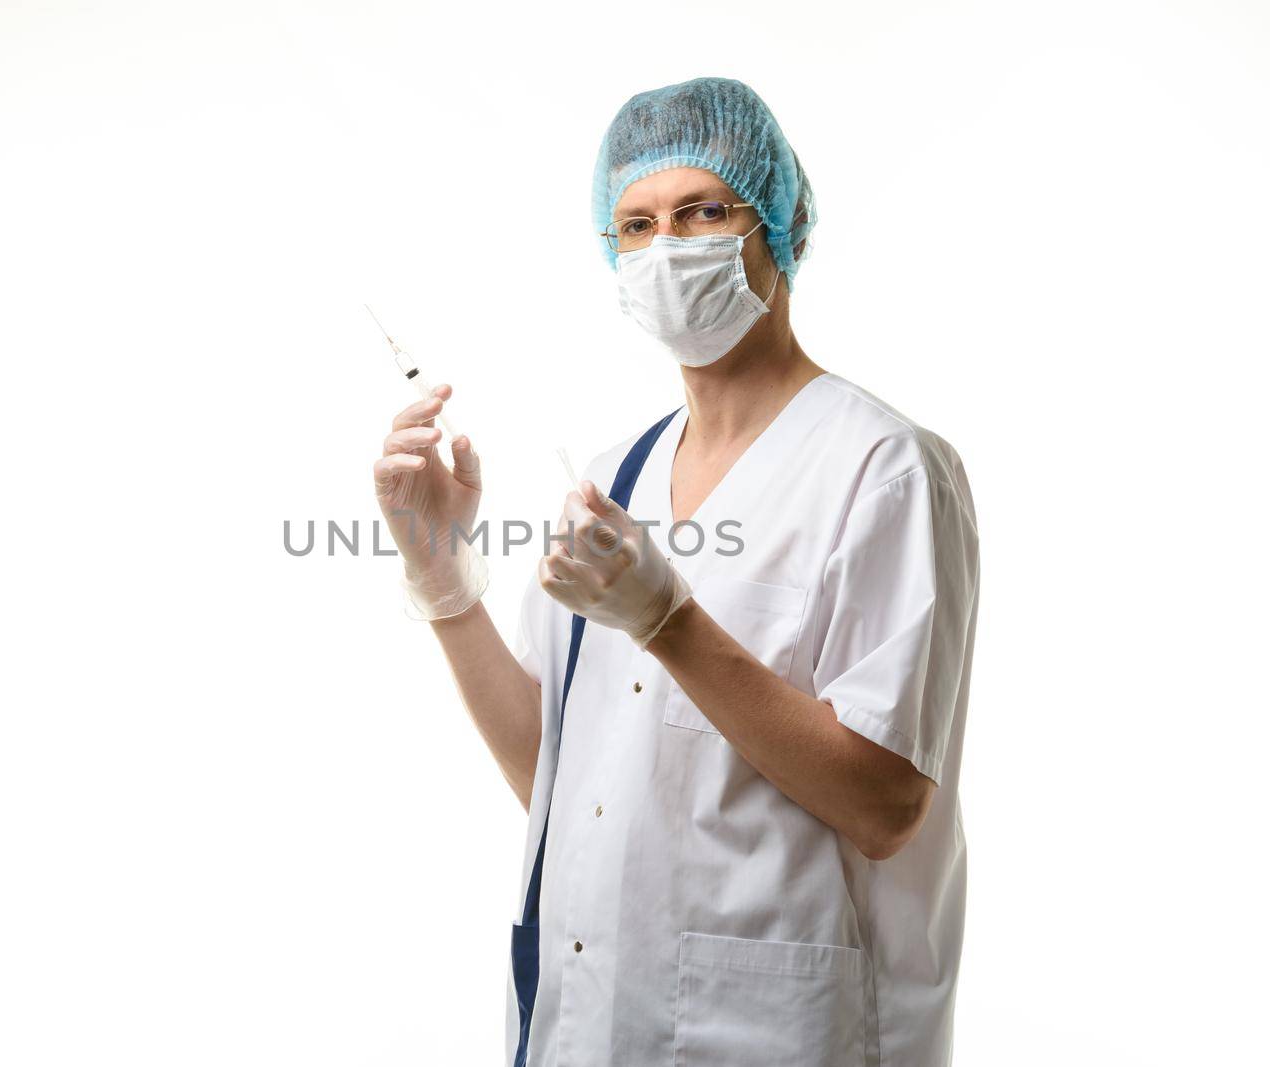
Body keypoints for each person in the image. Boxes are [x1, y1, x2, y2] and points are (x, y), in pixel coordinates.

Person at [372, 75, 979, 1067]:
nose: (667, 247)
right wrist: (444, 579)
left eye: (703, 210)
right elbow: (561, 778)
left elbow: (884, 806)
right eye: (637, 223)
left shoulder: (881, 467)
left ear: (778, 220)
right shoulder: (617, 472)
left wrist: (668, 621)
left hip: (780, 1028)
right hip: (593, 1014)